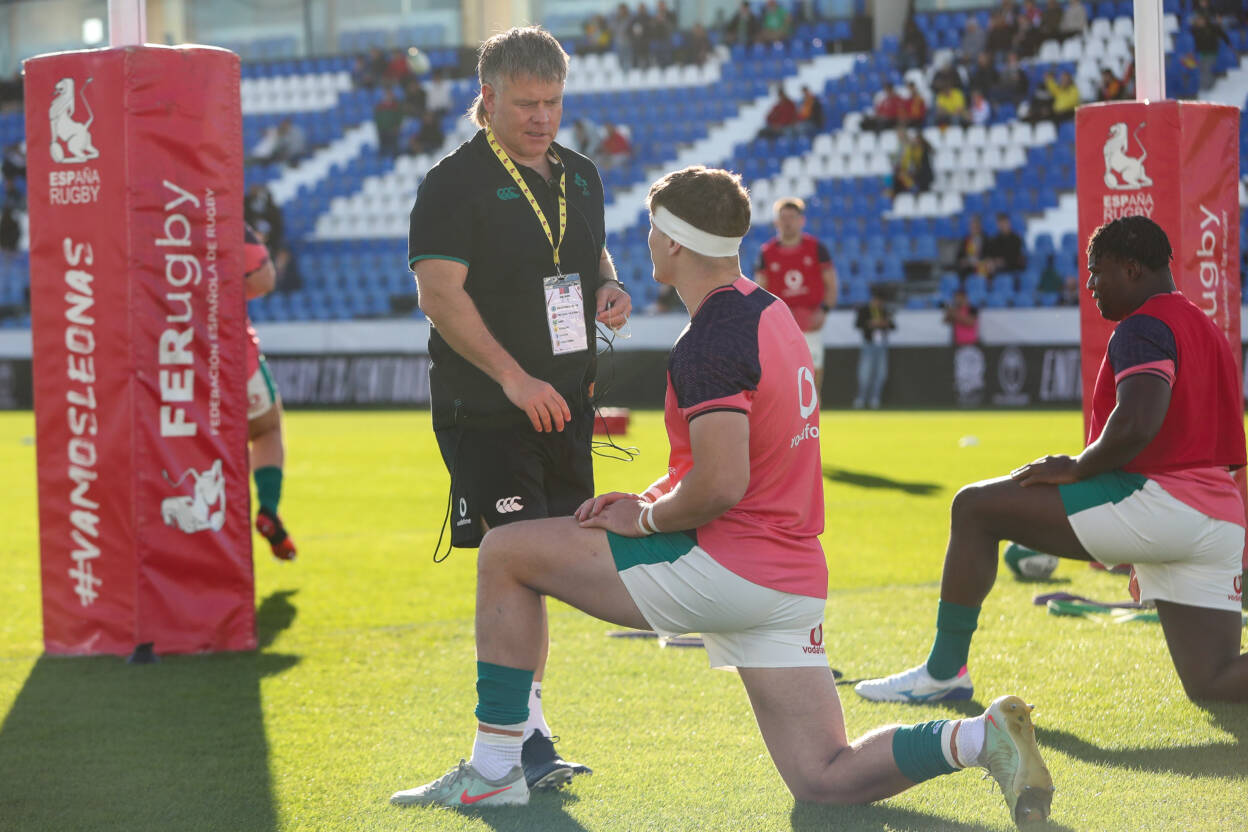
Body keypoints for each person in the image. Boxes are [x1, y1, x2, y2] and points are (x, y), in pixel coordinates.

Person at [390, 166, 1053, 826]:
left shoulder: (708, 339)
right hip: (791, 577)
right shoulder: (769, 310)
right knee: (825, 777)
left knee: (505, 553)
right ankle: (978, 738)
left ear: (675, 243)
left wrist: (646, 518)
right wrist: (646, 496)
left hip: (728, 567)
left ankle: (495, 770)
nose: (648, 242)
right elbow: (731, 463)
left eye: (653, 230)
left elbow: (720, 484)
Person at [855, 216, 1248, 705]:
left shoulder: (1144, 324)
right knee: (1214, 681)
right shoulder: (1205, 326)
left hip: (1161, 505)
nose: (1090, 284)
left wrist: (1077, 467)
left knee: (973, 508)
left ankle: (943, 673)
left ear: (1131, 269)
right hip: (1219, 519)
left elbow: (1137, 422)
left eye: (1096, 271)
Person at [405, 25, 632, 792]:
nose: (542, 117)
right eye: (527, 103)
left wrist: (608, 284)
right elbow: (439, 295)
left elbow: (588, 251)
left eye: (553, 102)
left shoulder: (580, 174)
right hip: (490, 409)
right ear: (489, 97)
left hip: (569, 407)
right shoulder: (453, 182)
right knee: (515, 558)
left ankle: (524, 743)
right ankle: (518, 749)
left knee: (538, 566)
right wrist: (513, 378)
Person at [243, 225, 297, 561]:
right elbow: (263, 280)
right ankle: (267, 508)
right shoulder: (217, 216)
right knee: (266, 430)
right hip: (232, 356)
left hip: (166, 359)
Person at [754, 197, 838, 392]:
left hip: (810, 322)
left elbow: (832, 284)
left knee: (812, 377)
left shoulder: (816, 248)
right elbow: (760, 290)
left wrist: (824, 311)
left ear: (802, 220)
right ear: (776, 222)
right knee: (780, 378)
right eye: (783, 218)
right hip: (780, 325)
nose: (787, 222)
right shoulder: (766, 252)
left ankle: (813, 411)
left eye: (792, 217)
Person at [853, 287, 894, 409]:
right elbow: (858, 324)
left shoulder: (884, 311)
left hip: (882, 345)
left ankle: (875, 398)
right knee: (864, 373)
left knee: (881, 373)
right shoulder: (865, 310)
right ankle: (861, 398)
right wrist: (870, 323)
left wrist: (884, 323)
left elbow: (893, 326)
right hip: (868, 344)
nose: (879, 303)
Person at [374, 88, 404, 157]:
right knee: (383, 147)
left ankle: (395, 158)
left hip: (393, 131)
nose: (388, 97)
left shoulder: (396, 106)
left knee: (394, 148)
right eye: (386, 96)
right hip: (383, 131)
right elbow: (378, 119)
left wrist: (397, 127)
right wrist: (380, 128)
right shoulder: (380, 107)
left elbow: (399, 117)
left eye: (389, 95)